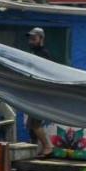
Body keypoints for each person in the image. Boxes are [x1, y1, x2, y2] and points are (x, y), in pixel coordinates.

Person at [24, 28, 54, 156]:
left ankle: (48, 146)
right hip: (34, 93)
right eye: (30, 38)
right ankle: (35, 150)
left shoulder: (43, 54)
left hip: (41, 94)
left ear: (41, 39)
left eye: (34, 38)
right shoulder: (32, 53)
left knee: (34, 123)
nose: (31, 41)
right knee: (31, 125)